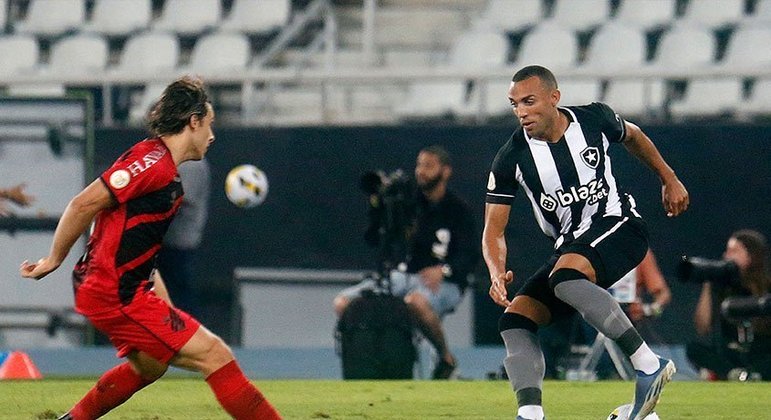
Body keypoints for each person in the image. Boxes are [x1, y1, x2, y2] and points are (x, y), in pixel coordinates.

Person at [20, 77, 281, 419]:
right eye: (210, 124)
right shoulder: (151, 164)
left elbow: (134, 242)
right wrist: (54, 259)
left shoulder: (163, 166)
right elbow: (83, 204)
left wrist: (165, 307)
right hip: (113, 291)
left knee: (152, 366)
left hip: (122, 286)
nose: (212, 135)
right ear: (194, 121)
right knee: (216, 355)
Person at [482, 65, 689, 420]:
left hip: (620, 226)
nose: (521, 112)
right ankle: (530, 413)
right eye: (514, 104)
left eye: (529, 101)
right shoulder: (511, 158)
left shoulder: (594, 119)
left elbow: (635, 137)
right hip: (572, 248)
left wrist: (669, 178)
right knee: (516, 319)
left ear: (554, 98)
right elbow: (493, 230)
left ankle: (648, 363)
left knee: (565, 279)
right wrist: (496, 272)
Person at [334, 145, 479, 379]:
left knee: (416, 302)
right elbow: (373, 239)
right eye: (419, 165)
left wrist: (444, 270)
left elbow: (471, 254)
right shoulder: (408, 204)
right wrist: (378, 206)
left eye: (429, 166)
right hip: (403, 276)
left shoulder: (458, 211)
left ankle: (446, 358)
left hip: (446, 282)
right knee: (344, 303)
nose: (421, 172)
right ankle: (376, 357)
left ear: (445, 171)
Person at [686, 229, 771, 381]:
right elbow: (702, 328)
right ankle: (737, 374)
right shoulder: (722, 285)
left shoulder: (767, 285)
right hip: (731, 352)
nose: (726, 256)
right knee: (694, 349)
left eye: (734, 251)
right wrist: (708, 282)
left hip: (760, 350)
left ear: (751, 256)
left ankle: (750, 374)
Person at [156, 158, 211, 316]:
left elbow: (179, 199)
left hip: (179, 245)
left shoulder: (191, 163)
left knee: (180, 298)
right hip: (161, 243)